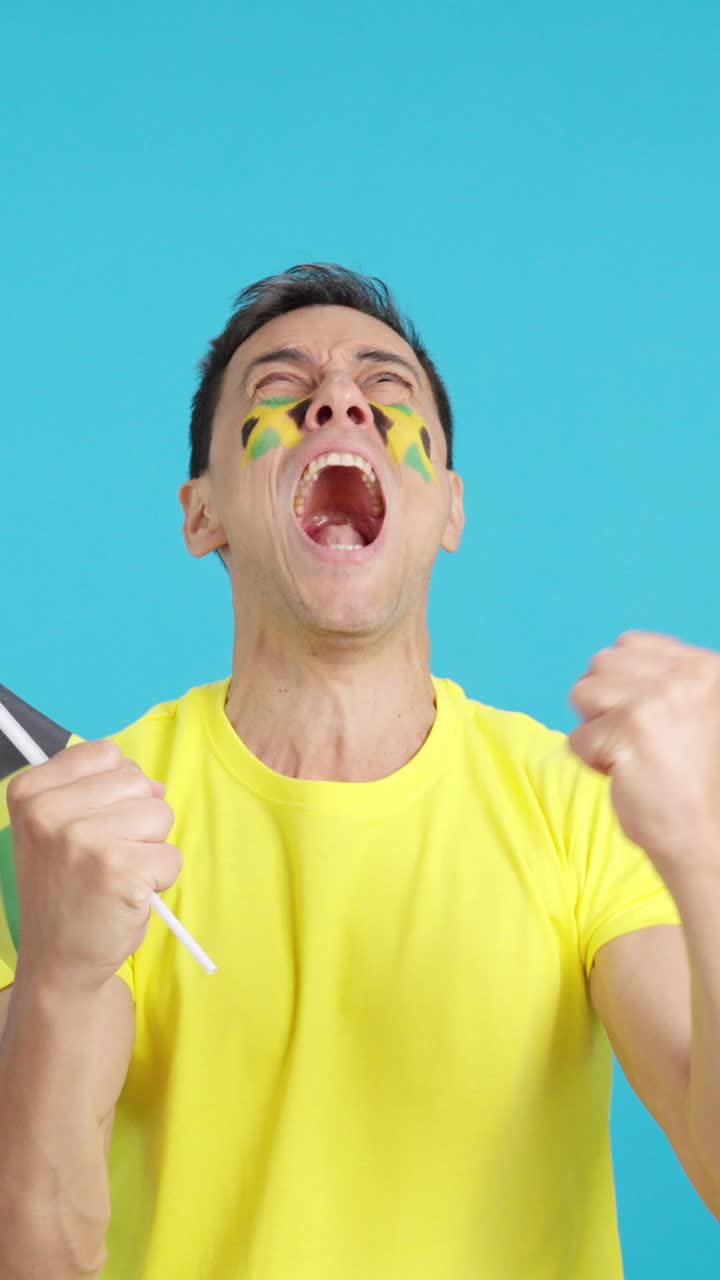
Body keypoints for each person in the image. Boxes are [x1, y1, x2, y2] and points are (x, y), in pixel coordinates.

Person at [0, 263, 719, 1279]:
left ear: (450, 509)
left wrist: (704, 854)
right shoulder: (66, 835)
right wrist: (62, 978)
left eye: (388, 391)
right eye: (278, 393)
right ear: (201, 511)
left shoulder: (581, 804)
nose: (338, 400)